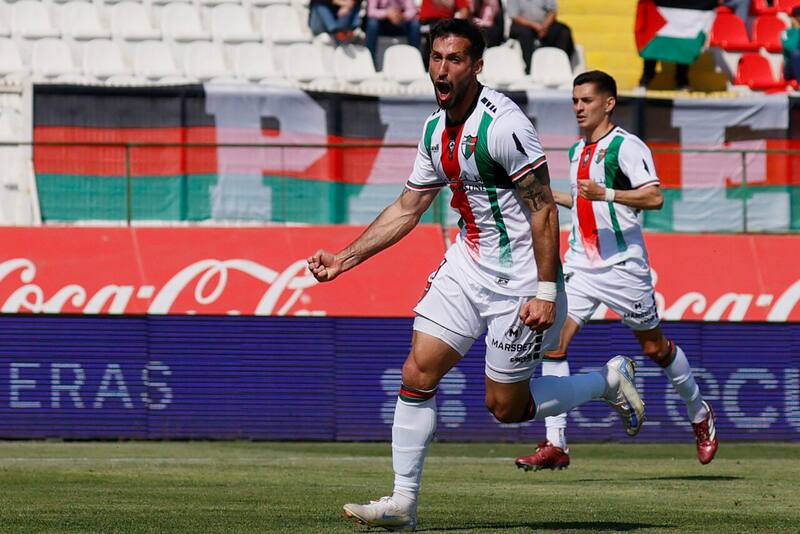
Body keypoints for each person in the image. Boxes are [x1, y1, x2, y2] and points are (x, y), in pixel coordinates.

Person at [308, 21, 645, 531]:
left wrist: (546, 290)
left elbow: (543, 211)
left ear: (477, 66)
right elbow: (409, 206)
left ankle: (606, 382)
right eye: (437, 57)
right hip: (468, 263)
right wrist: (344, 258)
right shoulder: (433, 129)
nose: (443, 68)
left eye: (456, 59)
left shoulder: (504, 125)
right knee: (416, 373)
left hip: (521, 280)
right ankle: (403, 503)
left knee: (505, 408)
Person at [514, 70, 718, 473]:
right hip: (579, 265)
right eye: (574, 101)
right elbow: (578, 199)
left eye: (585, 100)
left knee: (654, 348)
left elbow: (655, 196)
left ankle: (699, 413)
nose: (578, 108)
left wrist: (606, 192)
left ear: (608, 103)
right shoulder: (576, 152)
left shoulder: (627, 146)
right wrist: (530, 191)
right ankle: (557, 443)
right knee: (552, 344)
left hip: (623, 267)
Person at [507, 0, 574, 74]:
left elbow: (552, 11)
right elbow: (515, 17)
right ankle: (530, 68)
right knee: (525, 33)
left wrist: (544, 27)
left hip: (545, 25)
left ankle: (559, 65)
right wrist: (536, 26)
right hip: (523, 25)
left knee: (563, 31)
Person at [365, 0, 422, 66]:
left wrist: (402, 16)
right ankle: (370, 61)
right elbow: (370, 11)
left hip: (400, 22)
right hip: (382, 24)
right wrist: (387, 13)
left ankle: (414, 60)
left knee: (415, 24)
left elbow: (412, 10)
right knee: (372, 24)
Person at [782, 7, 800, 82]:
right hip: (790, 69)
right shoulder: (786, 33)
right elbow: (792, 47)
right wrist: (798, 30)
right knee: (795, 54)